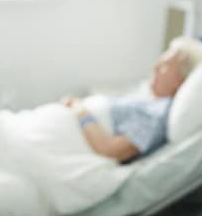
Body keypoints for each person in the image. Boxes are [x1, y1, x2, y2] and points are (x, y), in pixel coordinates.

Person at [61, 48, 192, 163]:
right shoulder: (151, 103)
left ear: (180, 81)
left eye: (164, 66)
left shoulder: (158, 113)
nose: (155, 68)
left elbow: (110, 149)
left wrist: (79, 109)